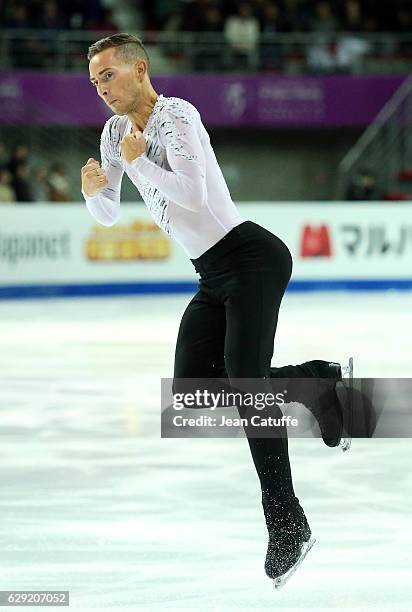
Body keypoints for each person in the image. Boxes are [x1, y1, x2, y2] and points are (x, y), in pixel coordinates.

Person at [82, 33, 348, 587]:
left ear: (139, 68)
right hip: (212, 273)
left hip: (251, 257)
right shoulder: (113, 134)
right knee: (192, 389)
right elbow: (108, 213)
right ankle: (319, 383)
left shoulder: (177, 115)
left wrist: (138, 166)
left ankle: (286, 520)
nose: (101, 88)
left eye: (108, 75)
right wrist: (93, 191)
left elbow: (196, 196)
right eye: (94, 81)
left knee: (248, 384)